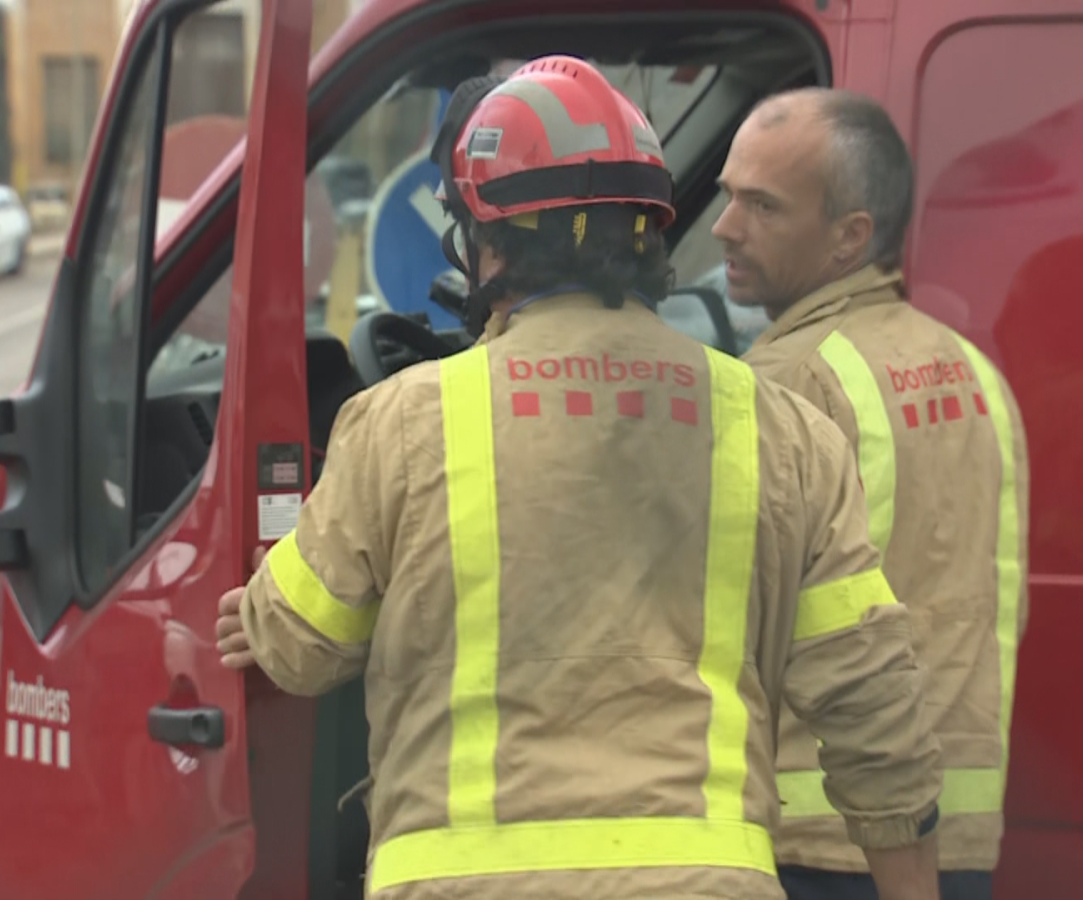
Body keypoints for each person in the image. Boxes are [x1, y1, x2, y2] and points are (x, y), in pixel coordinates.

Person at [216, 59, 944, 900]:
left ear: (481, 237)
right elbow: (871, 699)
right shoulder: (779, 426)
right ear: (648, 229)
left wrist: (261, 613)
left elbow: (303, 647)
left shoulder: (408, 420)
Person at [710, 86, 1031, 900]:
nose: (724, 228)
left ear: (851, 237)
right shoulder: (974, 372)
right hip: (949, 836)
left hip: (813, 834)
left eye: (762, 206)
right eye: (725, 196)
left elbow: (711, 618)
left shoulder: (782, 384)